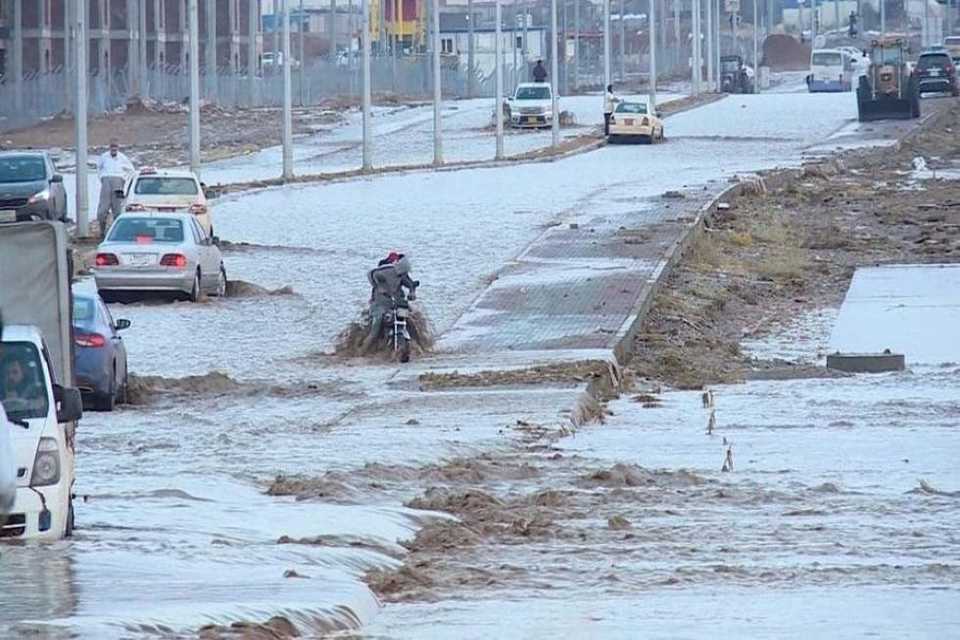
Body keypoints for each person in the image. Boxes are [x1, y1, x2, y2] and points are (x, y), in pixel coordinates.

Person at [363, 253, 419, 353]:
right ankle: (361, 352)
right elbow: (376, 281)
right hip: (381, 306)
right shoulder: (380, 275)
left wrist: (412, 292)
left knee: (413, 324)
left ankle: (421, 347)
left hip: (397, 305)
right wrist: (382, 289)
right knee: (374, 331)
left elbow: (410, 284)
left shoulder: (401, 275)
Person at [96, 139, 135, 239]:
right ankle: (102, 231)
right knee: (102, 210)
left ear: (118, 147)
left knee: (117, 210)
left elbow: (131, 170)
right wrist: (102, 178)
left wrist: (123, 180)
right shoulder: (104, 157)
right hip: (106, 183)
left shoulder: (122, 158)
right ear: (109, 147)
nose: (113, 148)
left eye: (115, 146)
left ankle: (117, 233)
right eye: (112, 146)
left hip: (118, 184)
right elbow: (98, 169)